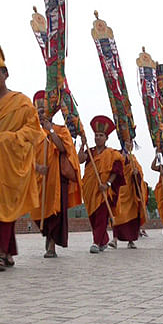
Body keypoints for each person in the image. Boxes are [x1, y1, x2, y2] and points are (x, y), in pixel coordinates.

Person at [0, 37, 44, 271]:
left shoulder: (21, 102)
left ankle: (2, 254)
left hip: (12, 161)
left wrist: (11, 139)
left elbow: (33, 130)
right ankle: (8, 253)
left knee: (2, 205)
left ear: (5, 75)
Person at [30, 91, 82, 258]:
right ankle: (48, 236)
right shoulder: (32, 133)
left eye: (43, 112)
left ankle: (52, 245)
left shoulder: (61, 130)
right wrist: (37, 167)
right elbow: (26, 156)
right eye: (38, 113)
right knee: (40, 214)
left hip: (57, 179)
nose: (40, 115)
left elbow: (62, 148)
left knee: (56, 213)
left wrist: (50, 130)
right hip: (39, 179)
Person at [79, 116, 123, 253]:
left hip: (104, 189)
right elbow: (80, 160)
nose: (98, 138)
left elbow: (116, 171)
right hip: (89, 189)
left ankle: (96, 242)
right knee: (93, 217)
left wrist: (108, 184)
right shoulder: (90, 152)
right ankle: (103, 241)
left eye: (101, 135)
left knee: (101, 216)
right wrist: (82, 144)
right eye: (96, 135)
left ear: (106, 138)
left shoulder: (112, 154)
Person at [108, 138, 147, 249]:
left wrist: (137, 174)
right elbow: (115, 167)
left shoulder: (133, 159)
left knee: (132, 216)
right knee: (117, 215)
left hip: (131, 192)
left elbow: (140, 173)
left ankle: (131, 241)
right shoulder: (117, 154)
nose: (130, 145)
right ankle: (115, 239)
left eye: (131, 143)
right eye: (127, 143)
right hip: (120, 189)